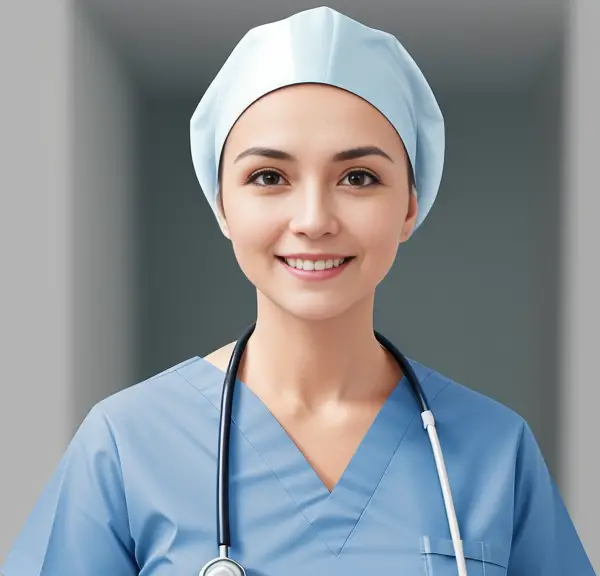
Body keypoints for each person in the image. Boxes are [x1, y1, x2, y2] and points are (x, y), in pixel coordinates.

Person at [1, 6, 596, 576]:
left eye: (358, 177)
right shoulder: (127, 445)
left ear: (409, 207)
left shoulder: (494, 452)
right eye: (269, 177)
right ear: (222, 204)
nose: (313, 219)